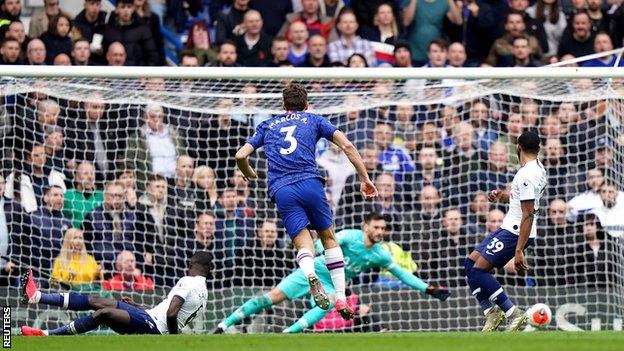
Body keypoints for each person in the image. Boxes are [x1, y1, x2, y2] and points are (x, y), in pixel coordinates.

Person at [234, 83, 378, 320]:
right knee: (329, 238)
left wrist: (248, 172)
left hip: (282, 189)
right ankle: (340, 295)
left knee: (303, 243)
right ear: (307, 104)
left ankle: (310, 273)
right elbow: (347, 146)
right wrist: (365, 178)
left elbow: (240, 155)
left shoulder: (267, 125)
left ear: (283, 105)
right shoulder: (314, 120)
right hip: (310, 182)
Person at [212, 213, 449, 333]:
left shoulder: (380, 254)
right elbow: (322, 244)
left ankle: (288, 333)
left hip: (332, 282)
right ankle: (224, 325)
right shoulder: (348, 236)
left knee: (331, 303)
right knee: (271, 298)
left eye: (383, 229)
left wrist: (426, 288)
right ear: (366, 226)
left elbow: (402, 274)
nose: (380, 232)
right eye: (376, 227)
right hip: (315, 271)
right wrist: (312, 253)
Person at [464, 131, 547, 332]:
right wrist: (502, 196)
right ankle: (491, 313)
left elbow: (528, 214)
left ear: (518, 147)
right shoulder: (536, 169)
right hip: (509, 226)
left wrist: (519, 250)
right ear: (539, 148)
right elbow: (521, 199)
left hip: (515, 231)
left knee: (479, 270)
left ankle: (512, 313)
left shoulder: (527, 174)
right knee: (470, 263)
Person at [20, 251, 212, 336]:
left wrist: (171, 336)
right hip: (149, 317)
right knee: (98, 300)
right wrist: (138, 307)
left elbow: (171, 314)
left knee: (104, 312)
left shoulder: (188, 281)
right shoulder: (203, 292)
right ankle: (36, 296)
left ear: (190, 264)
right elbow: (169, 313)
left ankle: (46, 334)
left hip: (154, 327)